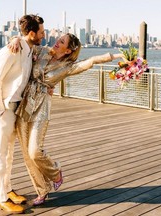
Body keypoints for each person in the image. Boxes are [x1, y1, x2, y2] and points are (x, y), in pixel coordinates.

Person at [9, 33, 124, 206]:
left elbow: (91, 61)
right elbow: (26, 43)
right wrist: (16, 39)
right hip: (25, 103)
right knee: (27, 155)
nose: (57, 42)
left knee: (35, 151)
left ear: (68, 49)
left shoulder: (69, 67)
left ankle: (55, 172)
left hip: (42, 107)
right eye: (58, 39)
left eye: (61, 42)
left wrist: (118, 56)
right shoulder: (41, 51)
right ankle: (42, 190)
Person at [0, 14, 45, 214]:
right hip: (1, 109)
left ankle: (7, 189)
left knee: (9, 154)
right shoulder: (10, 51)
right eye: (41, 32)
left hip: (15, 108)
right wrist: (0, 111)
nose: (44, 35)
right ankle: (1, 197)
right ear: (32, 33)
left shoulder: (28, 49)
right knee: (0, 154)